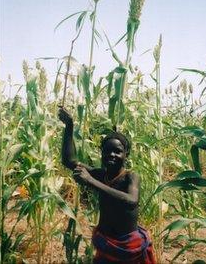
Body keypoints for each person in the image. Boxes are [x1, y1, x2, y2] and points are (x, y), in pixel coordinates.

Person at [58, 107, 156, 264]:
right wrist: (69, 125)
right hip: (106, 244)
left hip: (128, 248)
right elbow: (69, 161)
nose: (112, 154)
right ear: (101, 153)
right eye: (107, 150)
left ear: (126, 155)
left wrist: (91, 181)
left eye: (117, 151)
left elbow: (131, 200)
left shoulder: (130, 177)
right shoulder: (100, 174)